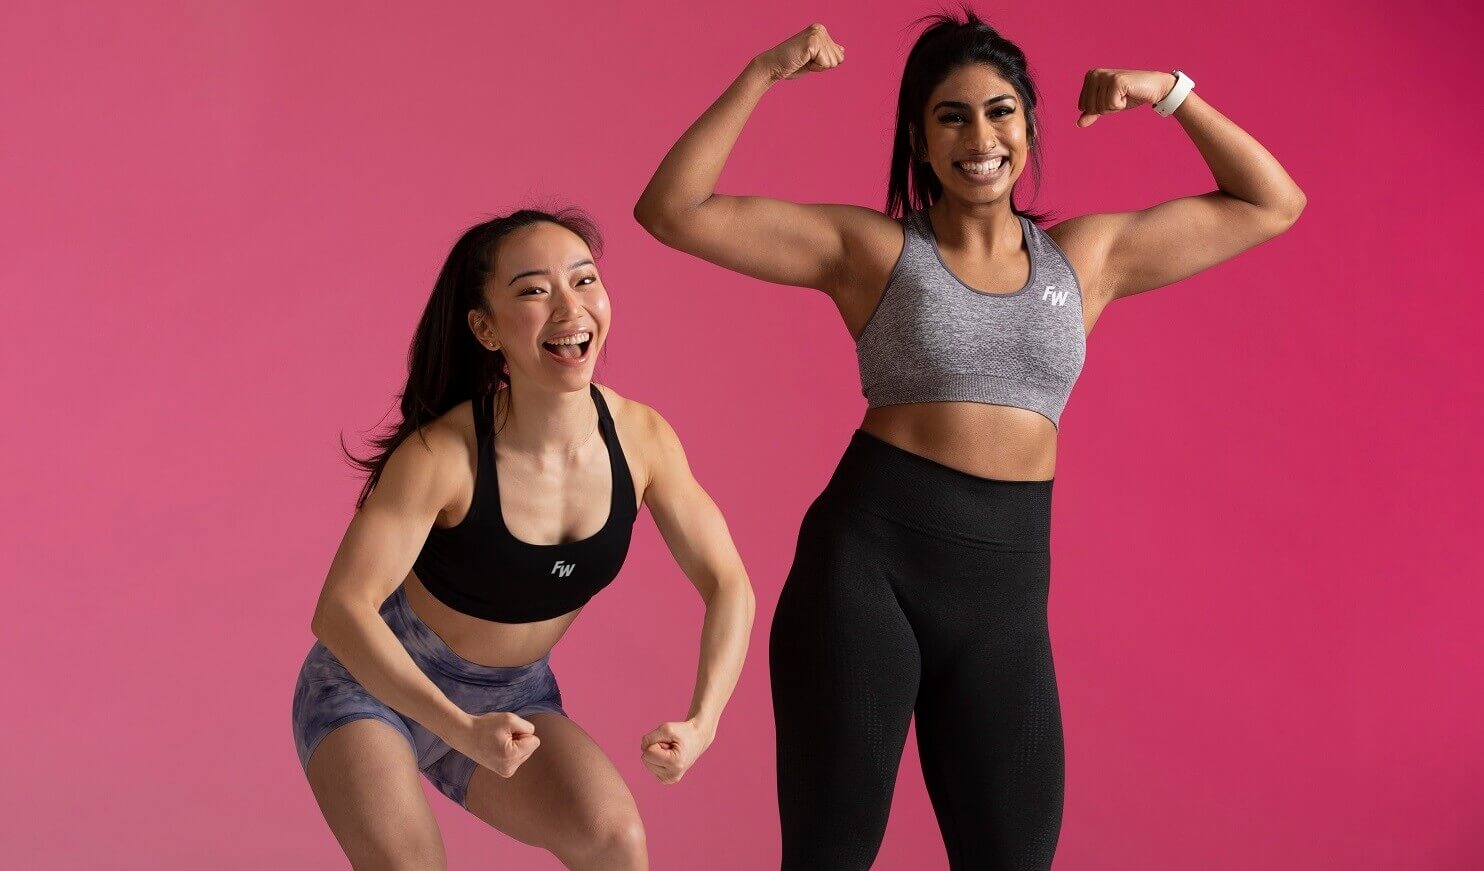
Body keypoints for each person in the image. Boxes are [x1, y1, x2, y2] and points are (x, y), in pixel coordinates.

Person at [634, 13, 1304, 870]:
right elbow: (672, 209)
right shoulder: (871, 249)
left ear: (1028, 124)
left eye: (999, 112)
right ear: (918, 137)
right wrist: (763, 74)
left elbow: (1272, 203)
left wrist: (1167, 92)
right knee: (830, 854)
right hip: (865, 572)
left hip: (1006, 596)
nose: (979, 137)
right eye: (951, 116)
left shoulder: (1086, 258)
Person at [292, 207, 755, 870]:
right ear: (485, 327)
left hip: (512, 695)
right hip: (370, 686)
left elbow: (728, 582)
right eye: (535, 290)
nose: (571, 308)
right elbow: (338, 611)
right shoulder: (443, 454)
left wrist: (702, 721)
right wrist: (459, 728)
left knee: (616, 841)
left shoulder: (642, 438)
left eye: (585, 280)